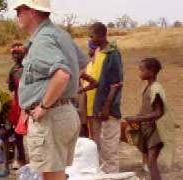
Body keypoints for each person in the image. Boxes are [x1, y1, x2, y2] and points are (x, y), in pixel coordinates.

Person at [14, 0, 88, 179]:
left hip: (50, 116)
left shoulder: (43, 40)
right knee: (57, 174)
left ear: (31, 12)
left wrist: (44, 105)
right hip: (64, 112)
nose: (17, 15)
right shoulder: (60, 34)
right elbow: (82, 64)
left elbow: (62, 74)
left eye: (19, 10)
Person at [125, 58, 175, 180]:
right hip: (149, 129)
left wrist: (138, 119)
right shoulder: (148, 87)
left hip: (155, 131)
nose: (140, 73)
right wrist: (136, 117)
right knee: (152, 163)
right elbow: (146, 108)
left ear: (151, 71)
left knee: (152, 162)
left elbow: (158, 112)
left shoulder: (156, 88)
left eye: (142, 70)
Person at [86, 22, 123, 173]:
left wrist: (107, 105)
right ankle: (101, 174)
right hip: (95, 105)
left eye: (92, 35)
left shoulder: (113, 53)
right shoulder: (97, 51)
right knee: (96, 145)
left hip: (108, 108)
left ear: (102, 35)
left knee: (109, 146)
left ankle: (112, 174)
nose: (90, 38)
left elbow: (116, 83)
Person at [7, 42, 27, 169]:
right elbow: (11, 87)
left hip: (31, 103)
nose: (15, 55)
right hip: (18, 103)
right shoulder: (13, 70)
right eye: (13, 53)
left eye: (17, 53)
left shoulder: (29, 66)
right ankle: (21, 159)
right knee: (18, 133)